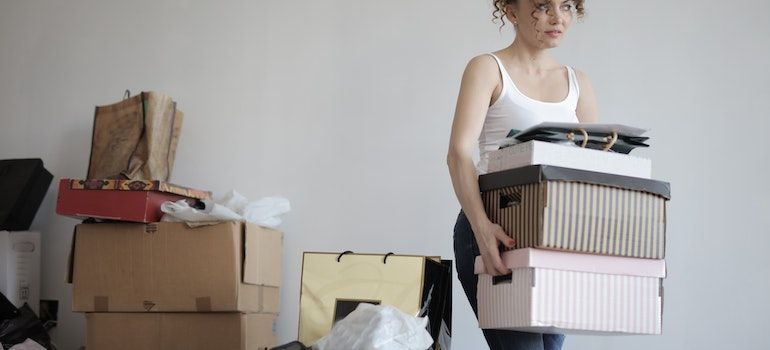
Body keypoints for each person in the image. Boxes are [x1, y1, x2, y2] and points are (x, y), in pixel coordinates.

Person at [446, 1, 598, 349]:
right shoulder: (487, 68)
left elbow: (592, 172)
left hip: (556, 238)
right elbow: (458, 154)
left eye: (566, 6)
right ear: (511, 11)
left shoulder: (579, 84)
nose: (558, 18)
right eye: (543, 6)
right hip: (496, 227)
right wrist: (483, 230)